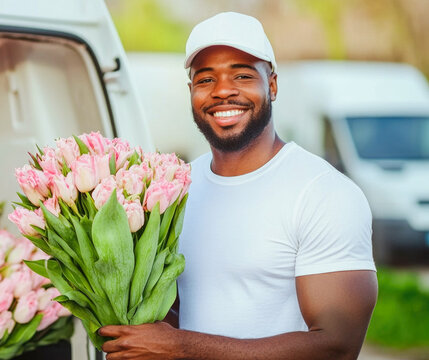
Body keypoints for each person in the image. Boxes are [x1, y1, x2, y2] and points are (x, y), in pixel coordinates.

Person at [99, 12, 377, 360]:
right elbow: (175, 309)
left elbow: (336, 347)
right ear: (191, 92)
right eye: (205, 80)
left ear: (272, 85)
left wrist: (182, 348)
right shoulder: (174, 189)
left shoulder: (324, 193)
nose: (223, 91)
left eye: (242, 75)